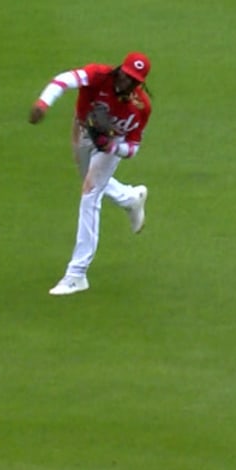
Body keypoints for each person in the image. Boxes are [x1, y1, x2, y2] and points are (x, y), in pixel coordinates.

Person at [28, 51, 152, 295]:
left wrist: (111, 146)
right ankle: (130, 198)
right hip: (83, 130)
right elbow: (63, 80)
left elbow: (133, 148)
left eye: (134, 80)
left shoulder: (140, 107)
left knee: (90, 194)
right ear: (120, 70)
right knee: (86, 178)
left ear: (139, 83)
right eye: (126, 75)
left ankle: (77, 274)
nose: (127, 82)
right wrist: (43, 104)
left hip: (110, 145)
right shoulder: (98, 75)